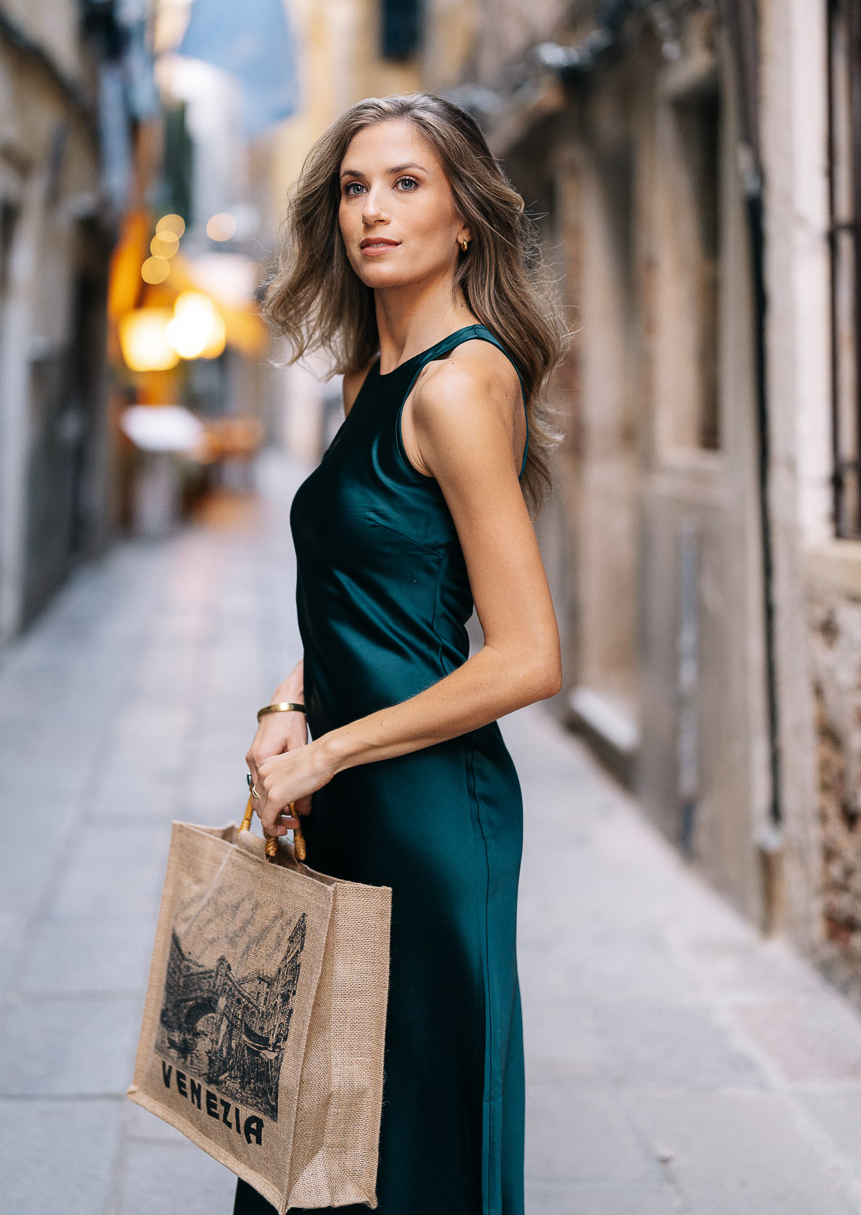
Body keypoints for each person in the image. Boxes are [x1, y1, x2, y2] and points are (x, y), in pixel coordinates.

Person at [237, 93, 565, 1215]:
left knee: (413, 1138)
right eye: (353, 187)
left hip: (428, 812)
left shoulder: (463, 384)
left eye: (407, 183)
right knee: (318, 1135)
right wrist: (289, 703)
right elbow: (364, 594)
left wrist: (329, 753)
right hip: (345, 792)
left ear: (466, 216)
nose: (373, 210)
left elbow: (525, 658)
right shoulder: (367, 380)